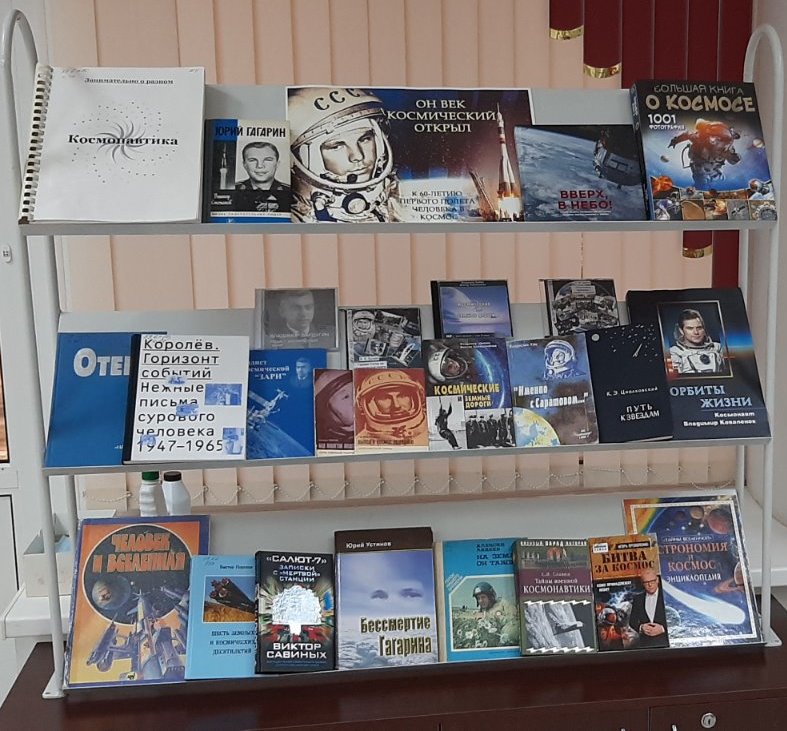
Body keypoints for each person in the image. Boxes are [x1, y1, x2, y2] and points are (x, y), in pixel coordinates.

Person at [288, 86, 401, 222]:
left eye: (365, 139)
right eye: (337, 146)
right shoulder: (292, 219)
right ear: (306, 158)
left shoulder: (400, 200)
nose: (358, 156)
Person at [668, 308, 726, 375]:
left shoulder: (718, 347)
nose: (696, 332)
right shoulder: (674, 352)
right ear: (681, 330)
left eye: (699, 328)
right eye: (690, 328)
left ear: (704, 329)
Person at [628, 568, 669, 649]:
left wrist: (662, 629)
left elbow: (679, 621)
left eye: (652, 581)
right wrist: (641, 628)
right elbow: (632, 621)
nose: (650, 585)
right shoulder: (638, 599)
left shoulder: (667, 597)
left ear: (657, 580)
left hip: (666, 645)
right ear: (642, 583)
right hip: (646, 645)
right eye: (646, 582)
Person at [470, 581, 518, 647]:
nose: (480, 601)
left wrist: (495, 617)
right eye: (478, 598)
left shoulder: (503, 603)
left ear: (490, 597)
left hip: (507, 639)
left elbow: (514, 620)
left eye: (483, 597)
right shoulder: (481, 612)